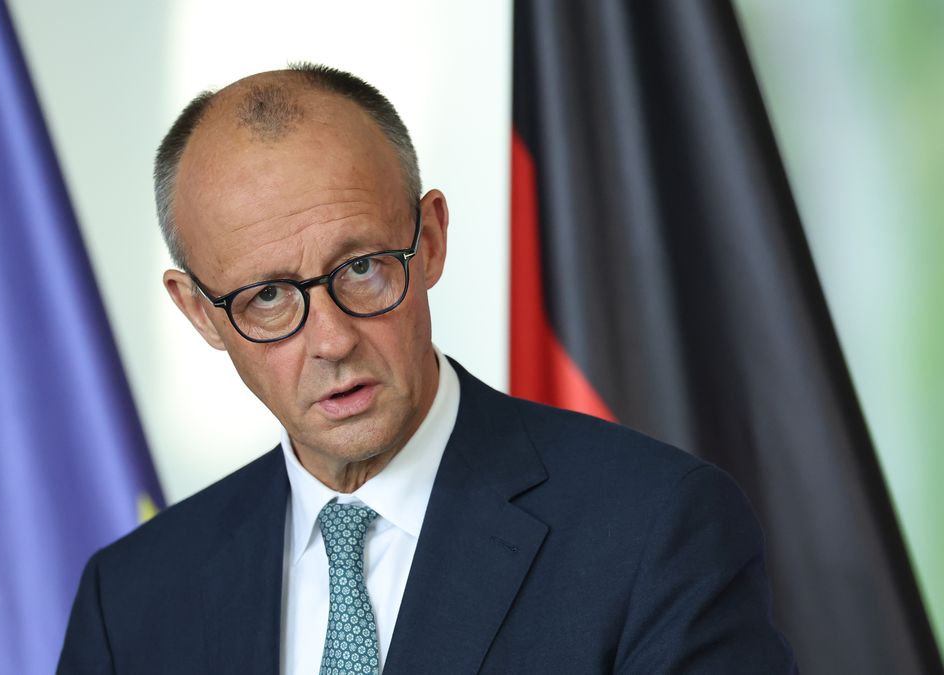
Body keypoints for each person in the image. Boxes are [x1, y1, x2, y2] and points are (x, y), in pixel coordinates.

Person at [58, 63, 796, 674]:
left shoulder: (655, 531)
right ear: (199, 312)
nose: (332, 339)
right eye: (270, 297)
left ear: (432, 237)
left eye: (363, 268)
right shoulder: (128, 600)